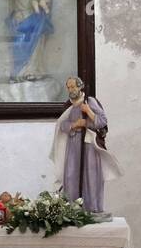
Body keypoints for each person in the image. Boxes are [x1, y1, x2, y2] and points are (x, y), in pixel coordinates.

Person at [50, 76, 121, 213]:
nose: (71, 90)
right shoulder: (68, 105)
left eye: (73, 86)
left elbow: (102, 121)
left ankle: (92, 208)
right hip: (72, 147)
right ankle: (72, 209)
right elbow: (62, 125)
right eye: (69, 87)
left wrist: (88, 113)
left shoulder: (90, 101)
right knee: (71, 175)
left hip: (88, 147)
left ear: (80, 86)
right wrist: (74, 125)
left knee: (91, 176)